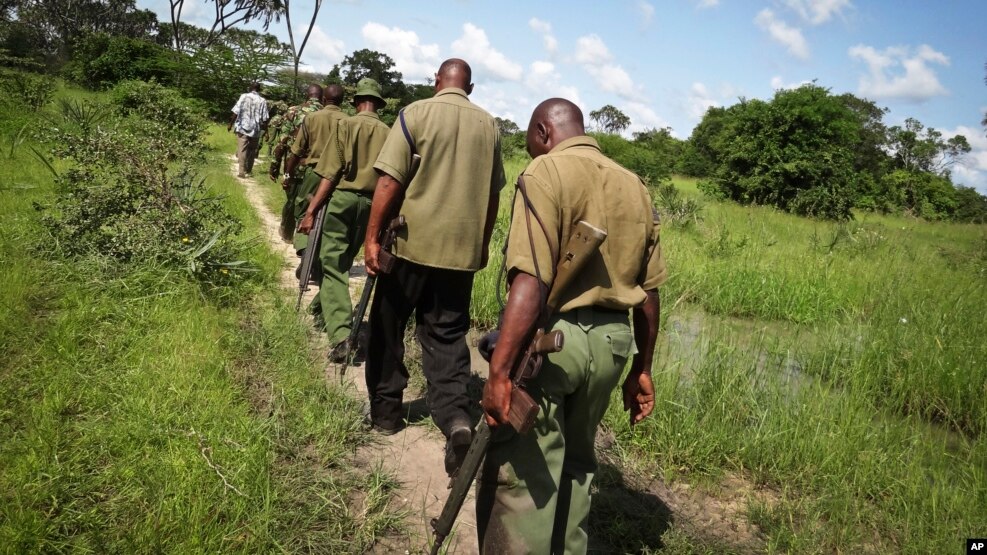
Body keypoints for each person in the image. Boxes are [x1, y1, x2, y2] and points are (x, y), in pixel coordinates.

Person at [475, 98, 667, 554]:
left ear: (543, 132)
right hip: (614, 345)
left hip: (554, 344)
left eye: (531, 142)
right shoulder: (635, 185)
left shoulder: (546, 173)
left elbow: (531, 280)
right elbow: (650, 293)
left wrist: (499, 373)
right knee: (579, 465)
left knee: (526, 474)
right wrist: (643, 366)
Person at [364, 59, 505, 477]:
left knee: (388, 326)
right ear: (471, 88)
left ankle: (387, 414)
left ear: (437, 82)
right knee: (446, 336)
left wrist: (371, 239)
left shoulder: (416, 113)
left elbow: (389, 182)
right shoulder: (491, 127)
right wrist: (480, 244)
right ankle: (456, 420)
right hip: (460, 255)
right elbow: (494, 194)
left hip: (409, 245)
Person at [297, 78, 389, 360]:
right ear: (379, 104)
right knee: (342, 261)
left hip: (342, 201)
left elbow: (330, 173)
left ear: (356, 101)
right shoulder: (390, 132)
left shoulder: (345, 125)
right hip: (374, 205)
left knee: (332, 263)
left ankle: (341, 336)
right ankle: (321, 310)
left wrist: (311, 210)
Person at [283, 84, 347, 325]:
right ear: (342, 100)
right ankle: (317, 257)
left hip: (313, 172)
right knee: (328, 217)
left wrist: (288, 173)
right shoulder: (348, 121)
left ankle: (304, 253)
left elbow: (297, 150)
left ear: (324, 99)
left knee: (304, 213)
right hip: (337, 176)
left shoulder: (311, 118)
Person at [270, 84, 324, 241]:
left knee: (291, 200)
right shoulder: (327, 114)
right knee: (310, 202)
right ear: (321, 97)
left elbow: (282, 142)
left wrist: (275, 166)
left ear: (307, 95)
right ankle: (304, 239)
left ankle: (286, 233)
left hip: (291, 167)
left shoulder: (293, 111)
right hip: (317, 170)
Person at [228, 82, 269, 178]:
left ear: (251, 88)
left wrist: (230, 123)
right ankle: (248, 170)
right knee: (252, 149)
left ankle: (241, 171)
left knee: (242, 149)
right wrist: (266, 132)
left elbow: (236, 111)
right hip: (256, 129)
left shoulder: (243, 96)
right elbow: (265, 118)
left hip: (243, 128)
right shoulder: (262, 100)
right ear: (259, 89)